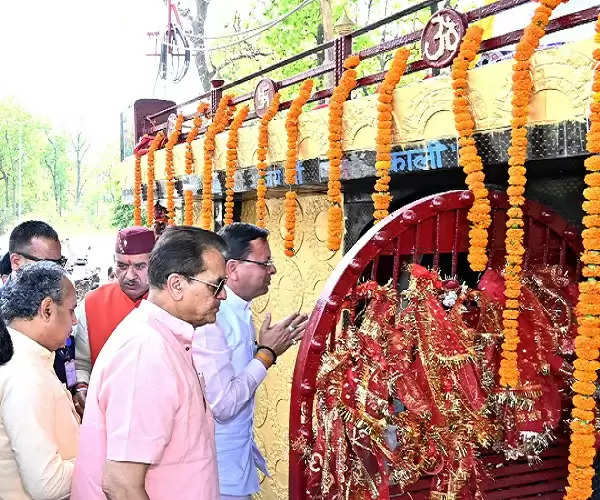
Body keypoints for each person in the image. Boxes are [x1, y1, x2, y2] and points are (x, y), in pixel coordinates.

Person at [71, 226, 228, 500]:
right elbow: (121, 484)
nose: (223, 296)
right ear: (177, 285)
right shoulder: (146, 351)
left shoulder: (164, 338)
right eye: (217, 286)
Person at [193, 223, 308, 500]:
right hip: (217, 470)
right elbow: (223, 405)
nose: (273, 270)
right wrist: (266, 354)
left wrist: (264, 349)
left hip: (234, 461)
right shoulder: (214, 316)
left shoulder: (238, 310)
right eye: (265, 262)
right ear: (232, 269)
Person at [0, 262, 79, 499]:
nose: (75, 321)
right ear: (47, 310)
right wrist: (101, 458)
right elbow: (48, 485)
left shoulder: (27, 355)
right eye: (71, 310)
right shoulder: (25, 374)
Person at [72, 226, 155, 414]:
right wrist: (82, 388)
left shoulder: (173, 303)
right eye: (122, 266)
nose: (130, 276)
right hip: (106, 414)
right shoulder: (92, 304)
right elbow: (81, 363)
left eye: (140, 266)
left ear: (156, 263)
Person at [5, 221, 72, 385]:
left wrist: (74, 387)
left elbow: (68, 354)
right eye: (48, 264)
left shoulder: (62, 298)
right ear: (15, 261)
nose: (57, 271)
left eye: (60, 263)